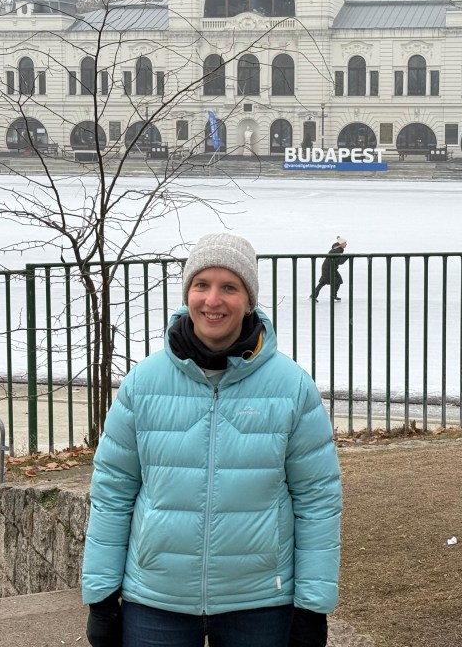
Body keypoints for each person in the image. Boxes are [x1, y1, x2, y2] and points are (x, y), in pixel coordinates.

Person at [82, 233, 342, 647]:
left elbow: (317, 500)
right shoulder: (143, 383)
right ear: (188, 294)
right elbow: (113, 491)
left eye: (229, 287)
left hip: (260, 603)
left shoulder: (291, 387)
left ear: (249, 300)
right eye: (201, 285)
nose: (213, 300)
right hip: (156, 601)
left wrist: (312, 607)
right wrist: (101, 597)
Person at [311, 236, 348, 302]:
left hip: (331, 268)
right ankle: (313, 296)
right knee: (323, 282)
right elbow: (340, 261)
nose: (346, 244)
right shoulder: (337, 250)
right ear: (341, 244)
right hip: (328, 269)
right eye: (345, 243)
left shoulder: (338, 249)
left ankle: (333, 295)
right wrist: (346, 257)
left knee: (338, 281)